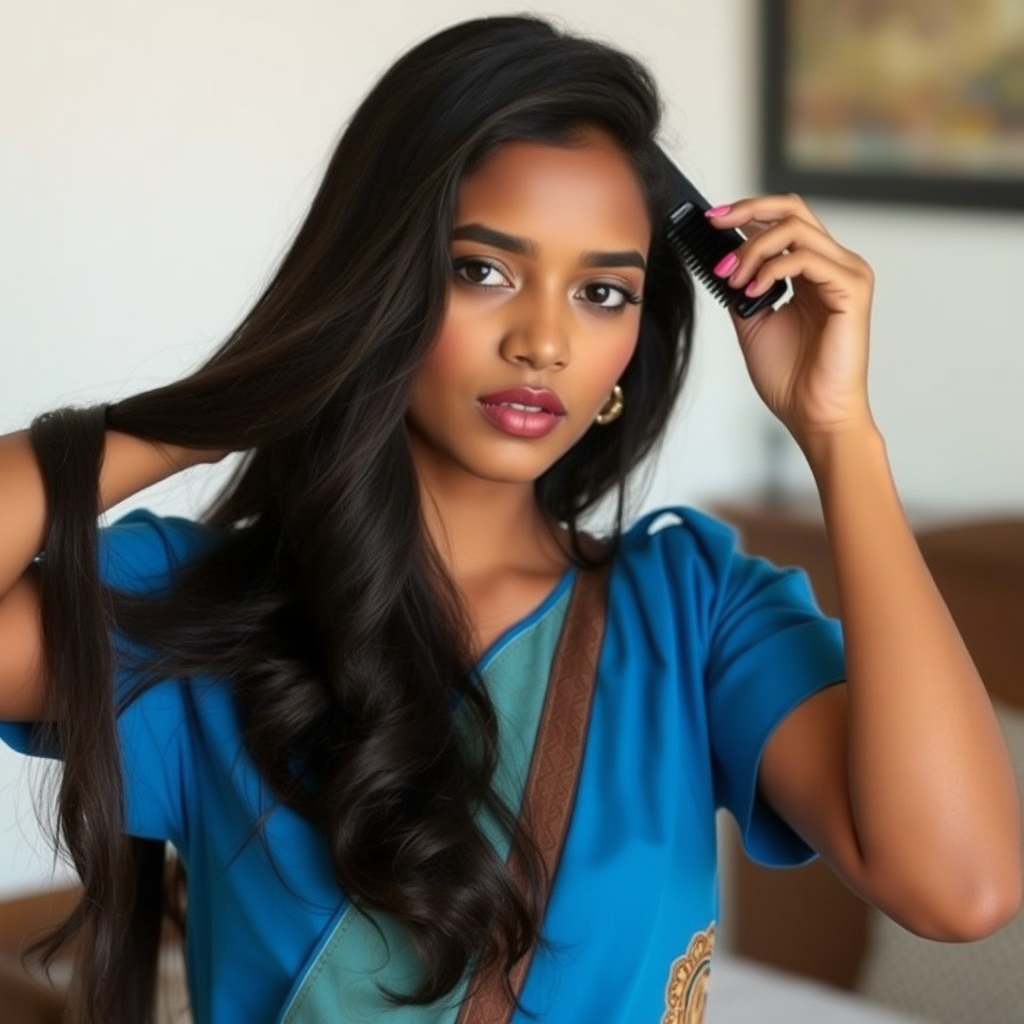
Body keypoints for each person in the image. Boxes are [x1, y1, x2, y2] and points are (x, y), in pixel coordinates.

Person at [0, 14, 1019, 1024]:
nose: (543, 341)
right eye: (481, 270)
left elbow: (958, 885)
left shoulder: (695, 615)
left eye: (602, 291)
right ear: (379, 287)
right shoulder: (211, 615)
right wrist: (219, 409)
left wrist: (839, 434)